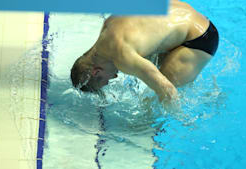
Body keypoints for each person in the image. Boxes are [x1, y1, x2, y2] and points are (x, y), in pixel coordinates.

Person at [70, 0, 219, 101]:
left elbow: (169, 92)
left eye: (107, 80)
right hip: (183, 10)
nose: (115, 76)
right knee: (154, 71)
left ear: (96, 71)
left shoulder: (123, 57)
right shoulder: (107, 26)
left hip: (200, 38)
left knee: (156, 100)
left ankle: (211, 98)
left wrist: (179, 119)